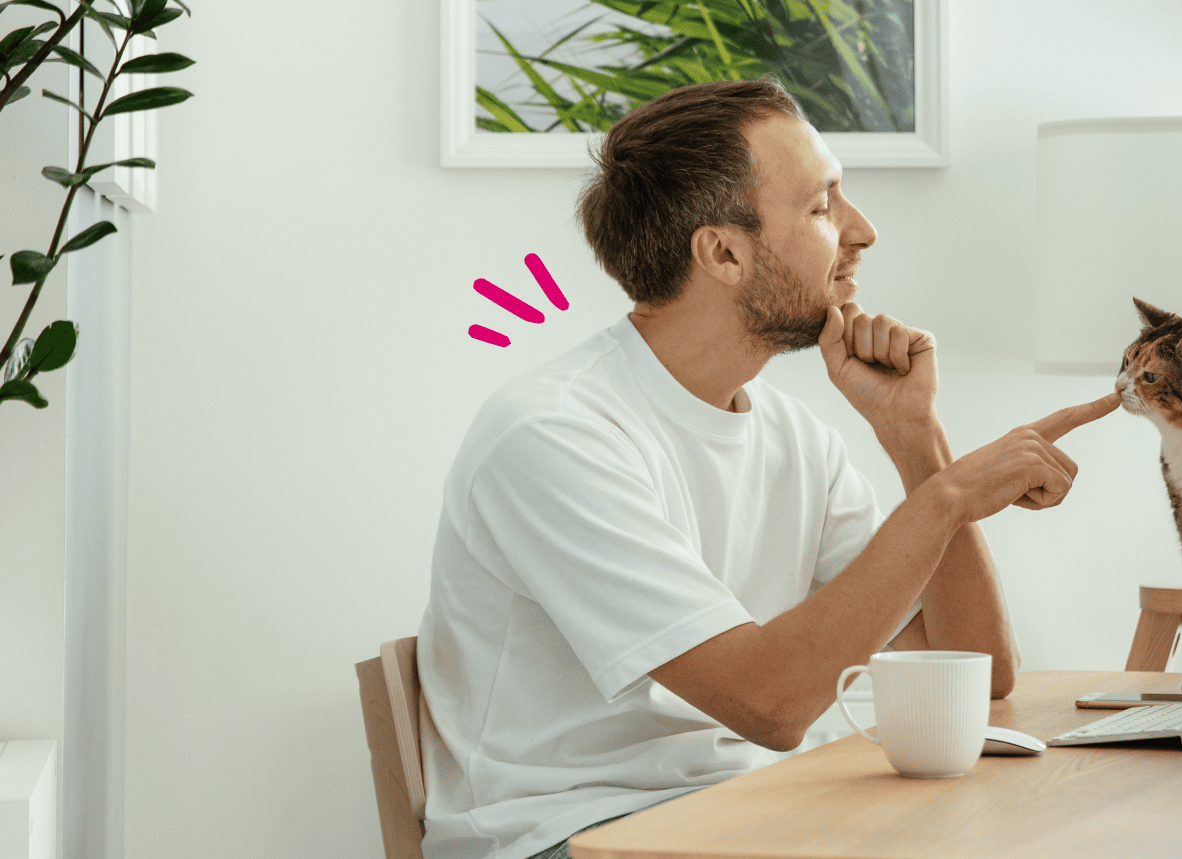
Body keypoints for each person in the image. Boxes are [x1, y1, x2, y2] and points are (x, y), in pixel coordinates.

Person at [416, 78, 1119, 859]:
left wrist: (916, 442)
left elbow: (974, 673)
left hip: (745, 815)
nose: (864, 231)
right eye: (822, 207)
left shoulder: (795, 438)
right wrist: (948, 498)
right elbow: (771, 704)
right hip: (571, 836)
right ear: (722, 250)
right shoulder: (553, 436)